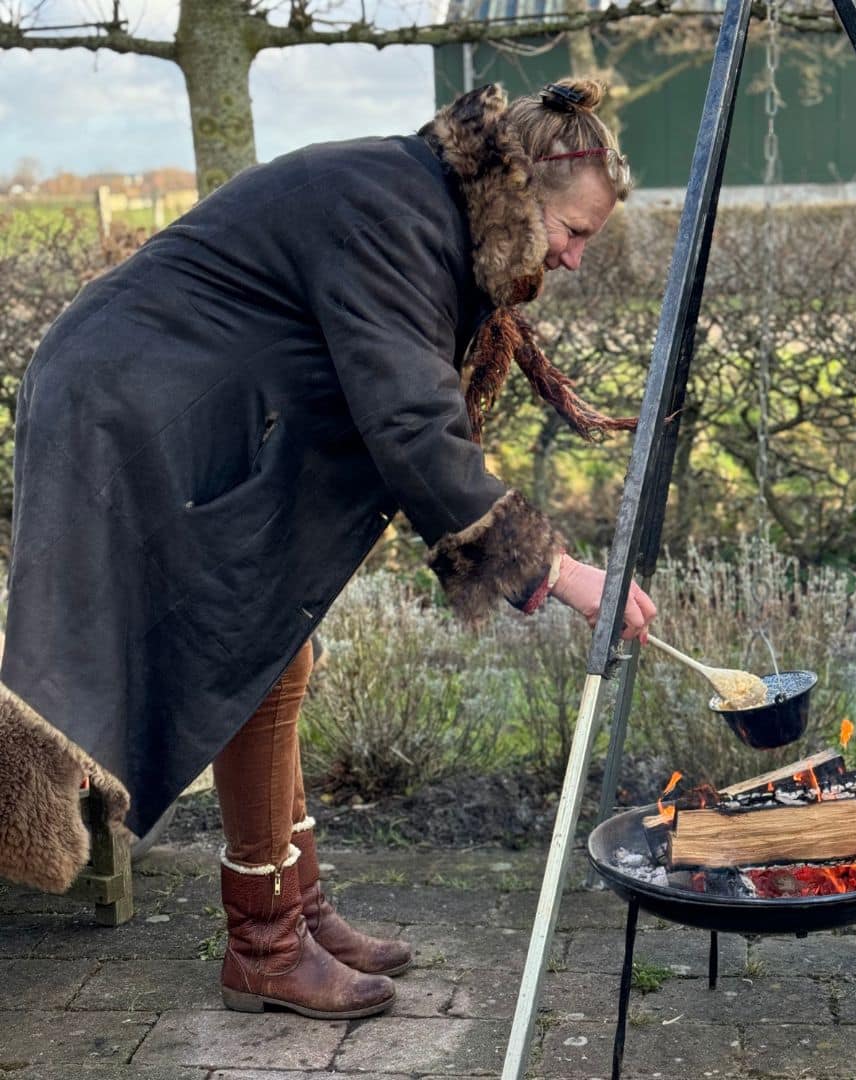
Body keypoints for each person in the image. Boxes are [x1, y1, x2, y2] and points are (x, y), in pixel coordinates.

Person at [0, 78, 657, 1020]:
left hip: (179, 398)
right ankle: (262, 942)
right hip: (132, 411)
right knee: (253, 651)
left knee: (278, 645)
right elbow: (410, 418)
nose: (577, 258)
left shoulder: (426, 206)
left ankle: (295, 910)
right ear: (524, 191)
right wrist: (555, 570)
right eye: (576, 232)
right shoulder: (395, 213)